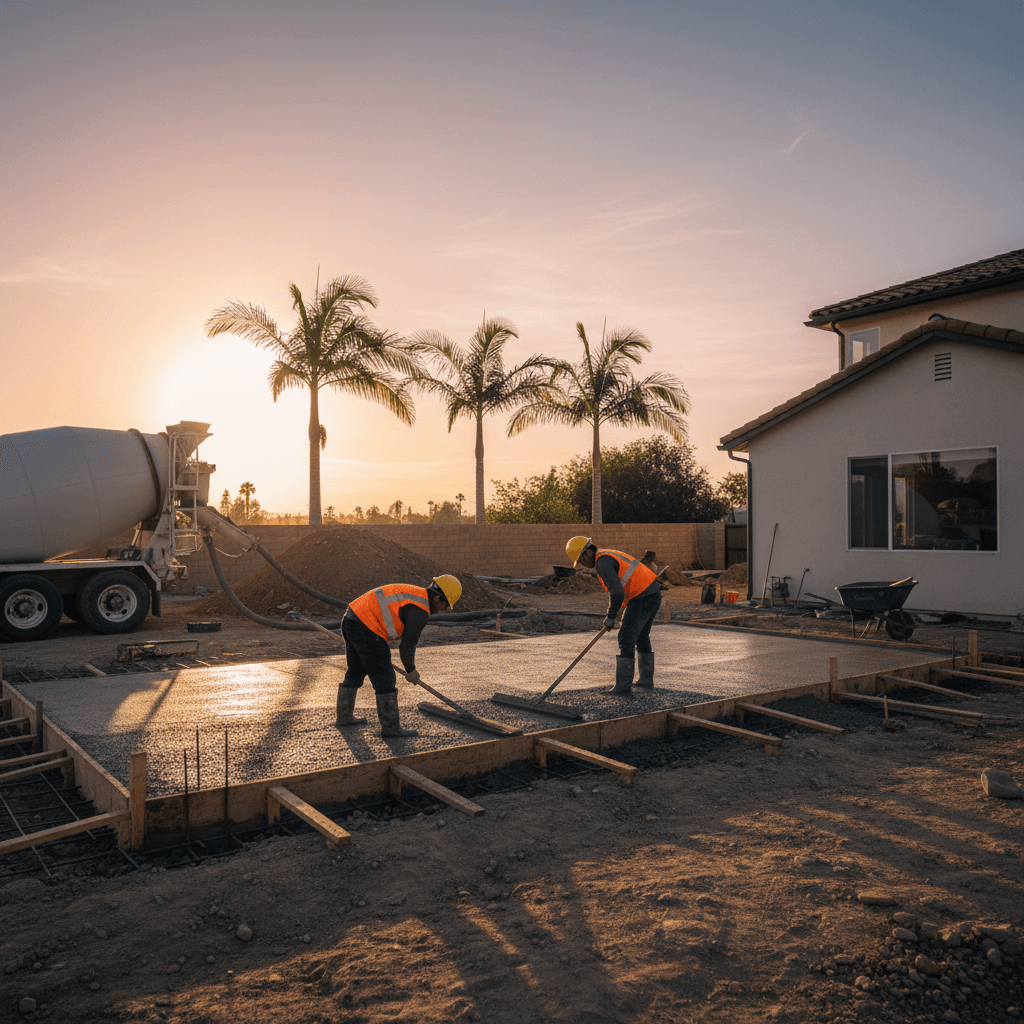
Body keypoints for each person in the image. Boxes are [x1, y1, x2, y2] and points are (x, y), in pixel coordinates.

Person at [335, 574, 462, 737]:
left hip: (351, 618)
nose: (444, 610)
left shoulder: (415, 595)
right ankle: (391, 729)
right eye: (446, 606)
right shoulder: (421, 608)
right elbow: (407, 645)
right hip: (367, 625)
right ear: (438, 598)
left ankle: (344, 717)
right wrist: (411, 670)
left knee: (356, 670)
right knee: (385, 678)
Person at [565, 536, 661, 694]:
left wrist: (610, 617)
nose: (583, 564)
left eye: (581, 561)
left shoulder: (602, 563)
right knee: (641, 636)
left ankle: (623, 687)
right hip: (652, 592)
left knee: (626, 637)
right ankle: (645, 681)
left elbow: (617, 592)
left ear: (587, 553)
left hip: (642, 596)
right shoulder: (606, 555)